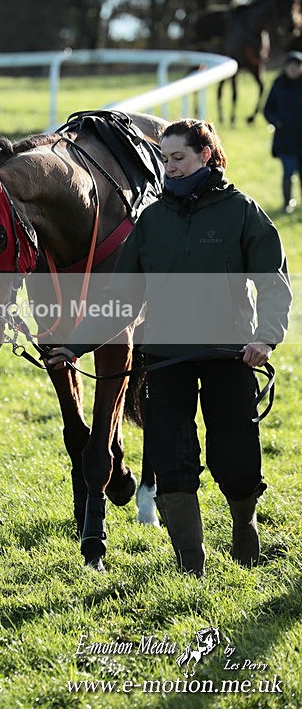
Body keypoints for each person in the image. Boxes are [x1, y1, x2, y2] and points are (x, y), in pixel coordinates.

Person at [47, 119, 291, 577]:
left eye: (178, 157)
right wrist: (75, 344)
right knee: (172, 459)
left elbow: (273, 281)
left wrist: (265, 337)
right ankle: (190, 565)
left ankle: (244, 529)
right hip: (164, 359)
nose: (169, 167)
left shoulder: (241, 211)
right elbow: (120, 299)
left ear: (207, 155)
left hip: (229, 355)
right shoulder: (152, 220)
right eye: (163, 158)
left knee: (235, 460)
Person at [263, 50, 302, 213]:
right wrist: (277, 122)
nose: (293, 69)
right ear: (285, 67)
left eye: (297, 66)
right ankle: (287, 202)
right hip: (285, 138)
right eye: (290, 66)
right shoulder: (278, 84)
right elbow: (267, 109)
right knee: (288, 170)